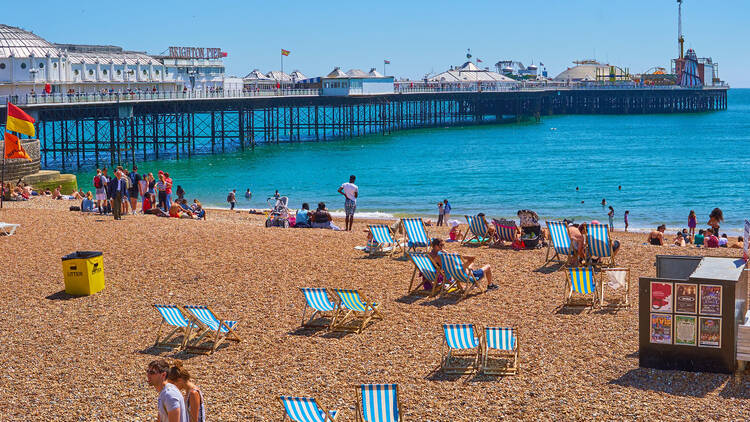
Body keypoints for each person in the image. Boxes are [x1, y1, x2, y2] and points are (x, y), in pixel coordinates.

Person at [428, 238, 496, 290]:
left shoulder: (429, 254)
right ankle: (490, 285)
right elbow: (444, 267)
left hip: (454, 274)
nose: (442, 247)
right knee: (488, 266)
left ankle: (469, 274)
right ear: (435, 246)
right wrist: (458, 256)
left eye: (443, 245)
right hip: (463, 275)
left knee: (470, 265)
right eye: (441, 245)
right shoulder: (440, 256)